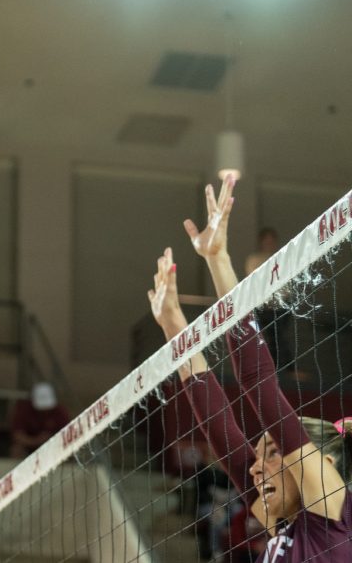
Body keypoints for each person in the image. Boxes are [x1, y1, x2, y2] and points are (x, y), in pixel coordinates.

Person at [146, 174, 352, 561]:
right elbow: (221, 428)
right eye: (262, 455)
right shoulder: (287, 525)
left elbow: (259, 384)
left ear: (325, 467)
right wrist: (175, 327)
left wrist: (218, 259)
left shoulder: (331, 515)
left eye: (273, 452)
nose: (255, 468)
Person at [9, 382, 69, 458]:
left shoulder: (60, 411)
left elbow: (66, 433)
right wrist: (37, 441)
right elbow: (17, 435)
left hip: (51, 445)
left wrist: (50, 440)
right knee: (16, 449)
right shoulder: (24, 410)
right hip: (28, 445)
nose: (44, 410)